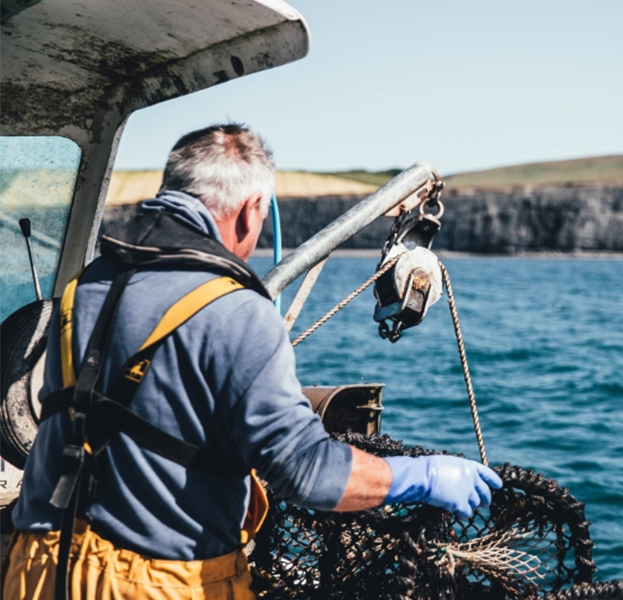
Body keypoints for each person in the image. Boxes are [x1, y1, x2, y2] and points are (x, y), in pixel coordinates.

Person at [3, 124, 501, 599]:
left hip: (37, 569)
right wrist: (422, 477)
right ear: (251, 210)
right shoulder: (238, 313)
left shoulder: (86, 286)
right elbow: (307, 473)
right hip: (159, 585)